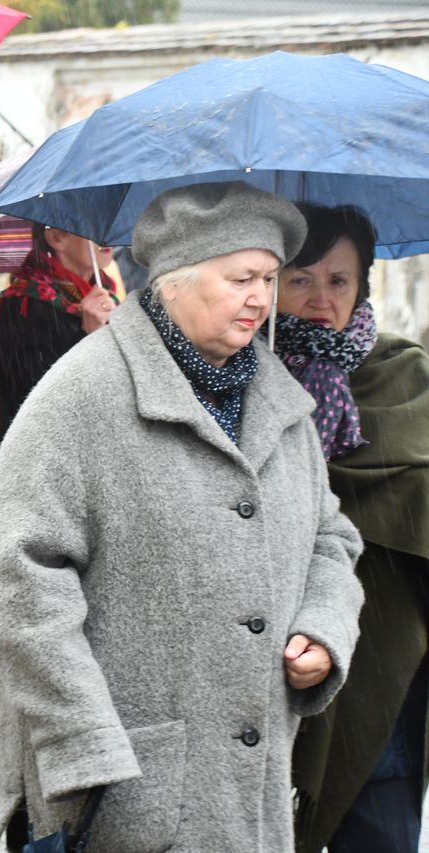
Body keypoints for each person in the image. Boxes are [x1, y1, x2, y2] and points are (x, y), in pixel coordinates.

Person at [0, 182, 365, 852]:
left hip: (251, 800)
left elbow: (331, 537)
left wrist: (324, 630)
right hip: (122, 791)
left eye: (270, 279)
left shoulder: (282, 404)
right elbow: (17, 570)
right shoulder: (82, 393)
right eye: (241, 278)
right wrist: (82, 738)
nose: (261, 298)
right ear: (176, 279)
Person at [280, 205, 429, 853]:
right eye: (301, 279)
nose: (321, 298)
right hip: (268, 663)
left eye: (338, 280)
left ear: (361, 285)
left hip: (381, 659)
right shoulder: (234, 376)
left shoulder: (403, 375)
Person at [0, 224, 119, 460]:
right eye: (92, 225)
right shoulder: (21, 308)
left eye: (105, 222)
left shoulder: (109, 302)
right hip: (38, 464)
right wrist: (87, 335)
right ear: (56, 238)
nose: (107, 235)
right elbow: (36, 400)